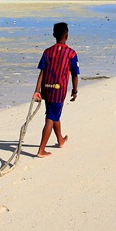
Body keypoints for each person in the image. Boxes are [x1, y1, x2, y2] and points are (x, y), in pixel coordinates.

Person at [32, 22, 79, 158]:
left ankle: (60, 140)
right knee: (50, 118)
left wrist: (37, 90)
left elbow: (42, 72)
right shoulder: (71, 53)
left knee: (54, 114)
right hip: (59, 90)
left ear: (53, 35)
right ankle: (41, 149)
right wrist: (75, 91)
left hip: (46, 88)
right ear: (67, 36)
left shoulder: (47, 52)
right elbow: (75, 75)